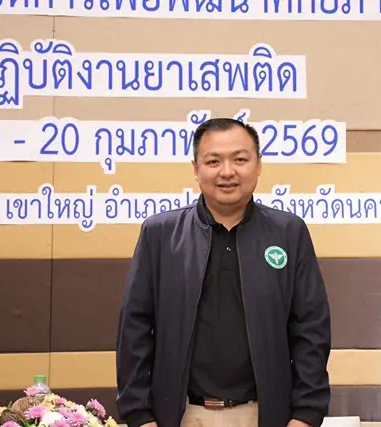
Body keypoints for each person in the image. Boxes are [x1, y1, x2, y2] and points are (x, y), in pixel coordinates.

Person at [116, 118, 331, 427]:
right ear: (195, 168)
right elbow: (134, 328)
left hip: (264, 415)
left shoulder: (288, 232)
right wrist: (139, 415)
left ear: (259, 165)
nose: (227, 172)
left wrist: (306, 414)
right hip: (182, 415)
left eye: (240, 159)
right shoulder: (160, 234)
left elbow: (311, 328)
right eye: (213, 161)